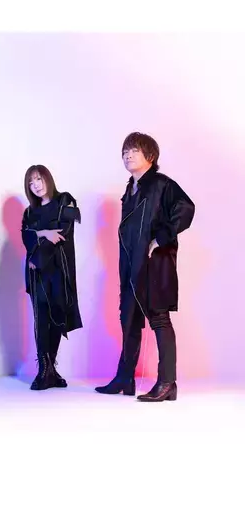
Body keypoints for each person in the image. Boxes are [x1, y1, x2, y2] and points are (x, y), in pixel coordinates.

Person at [95, 132, 195, 402]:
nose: (128, 155)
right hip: (131, 265)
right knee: (128, 318)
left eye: (134, 151)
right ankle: (124, 377)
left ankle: (167, 383)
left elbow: (186, 208)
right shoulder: (130, 190)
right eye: (125, 152)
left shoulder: (162, 184)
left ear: (150, 156)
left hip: (154, 264)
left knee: (159, 319)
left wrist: (161, 238)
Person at [21, 165, 82, 390]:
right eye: (31, 182)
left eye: (38, 179)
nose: (35, 185)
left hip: (59, 270)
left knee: (58, 316)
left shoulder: (65, 200)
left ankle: (51, 370)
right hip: (37, 274)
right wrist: (43, 233)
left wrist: (38, 254)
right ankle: (44, 370)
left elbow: (62, 233)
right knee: (41, 319)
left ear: (48, 178)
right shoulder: (29, 212)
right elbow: (25, 236)